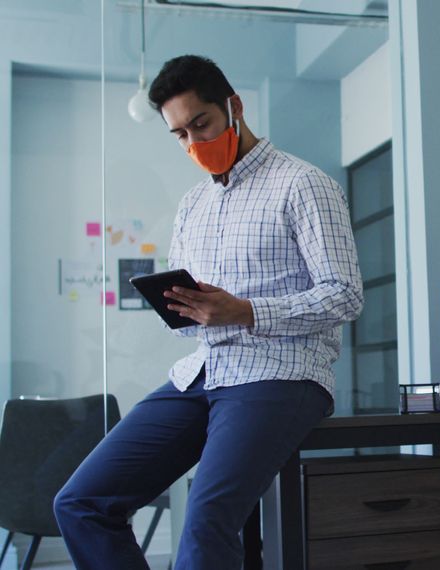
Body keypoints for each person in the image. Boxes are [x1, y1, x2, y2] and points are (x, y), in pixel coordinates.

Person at [53, 55, 363, 569]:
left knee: (205, 520)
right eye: (180, 134)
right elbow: (197, 316)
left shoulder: (304, 185)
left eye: (202, 124)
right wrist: (186, 308)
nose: (194, 143)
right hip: (202, 372)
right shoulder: (193, 205)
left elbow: (344, 295)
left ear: (233, 108)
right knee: (81, 502)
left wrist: (243, 311)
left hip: (280, 375)